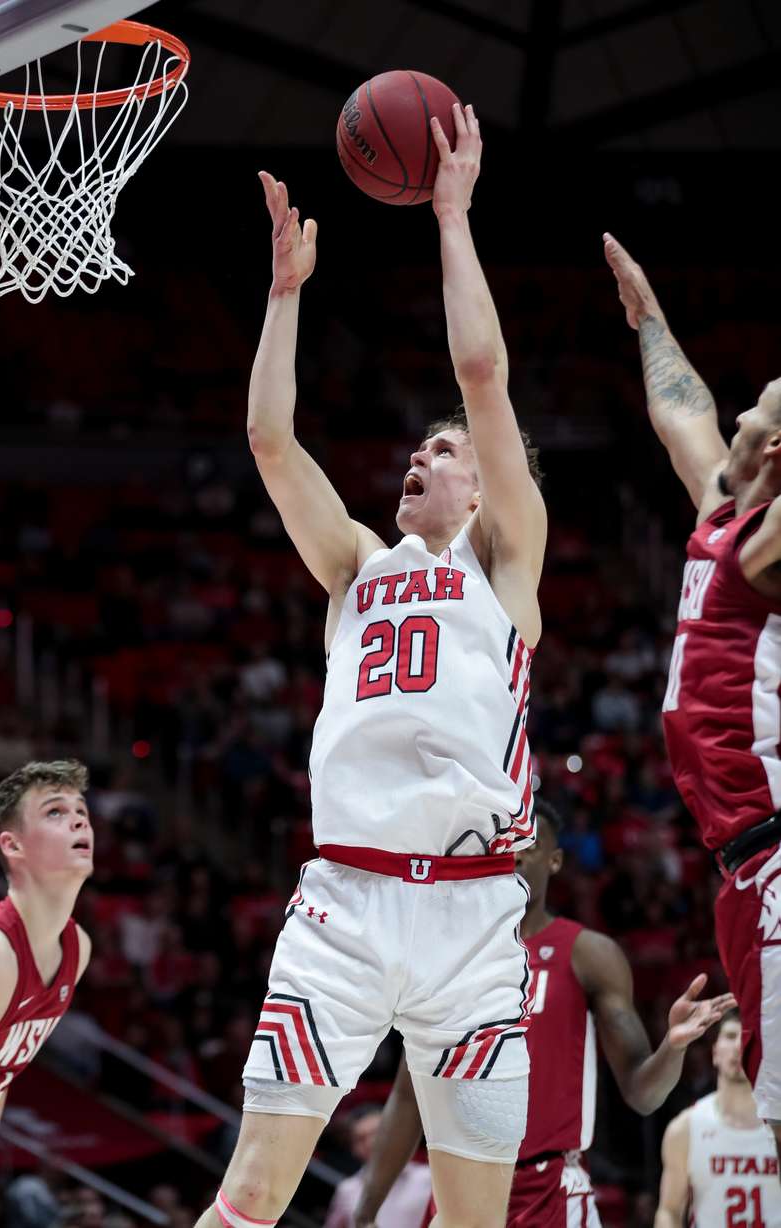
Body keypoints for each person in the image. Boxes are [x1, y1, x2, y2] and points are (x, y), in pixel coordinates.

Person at [194, 102, 547, 1228]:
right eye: (417, 447)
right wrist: (284, 296)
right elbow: (268, 442)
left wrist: (453, 217)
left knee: (477, 1218)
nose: (421, 456)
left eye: (442, 453)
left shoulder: (504, 562)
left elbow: (484, 374)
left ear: (486, 488)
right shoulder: (355, 562)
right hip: (346, 901)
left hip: (473, 919)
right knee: (250, 1197)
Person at [353, 799, 735, 1228]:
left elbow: (642, 1093)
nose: (514, 852)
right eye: (504, 843)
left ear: (554, 861)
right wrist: (366, 1212)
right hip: (458, 1186)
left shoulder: (589, 954)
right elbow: (408, 1097)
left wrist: (673, 1046)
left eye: (528, 843)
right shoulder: (448, 958)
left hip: (550, 1189)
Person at [604, 234, 781, 1155]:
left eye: (760, 406)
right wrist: (650, 318)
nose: (741, 408)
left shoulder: (765, 548)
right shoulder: (727, 517)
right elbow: (683, 417)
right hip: (747, 866)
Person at [0, 760, 94, 1221]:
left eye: (81, 809)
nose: (79, 818)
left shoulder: (76, 948)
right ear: (12, 845)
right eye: (54, 811)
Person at [655, 1010, 781, 1227]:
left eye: (750, 1037)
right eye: (731, 1036)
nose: (739, 1045)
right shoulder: (685, 1127)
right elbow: (669, 1211)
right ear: (714, 1052)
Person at [324, 1105, 430, 1228]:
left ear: (396, 1134)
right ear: (353, 1148)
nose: (371, 1142)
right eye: (361, 1139)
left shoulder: (427, 1178)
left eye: (377, 1132)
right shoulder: (347, 1189)